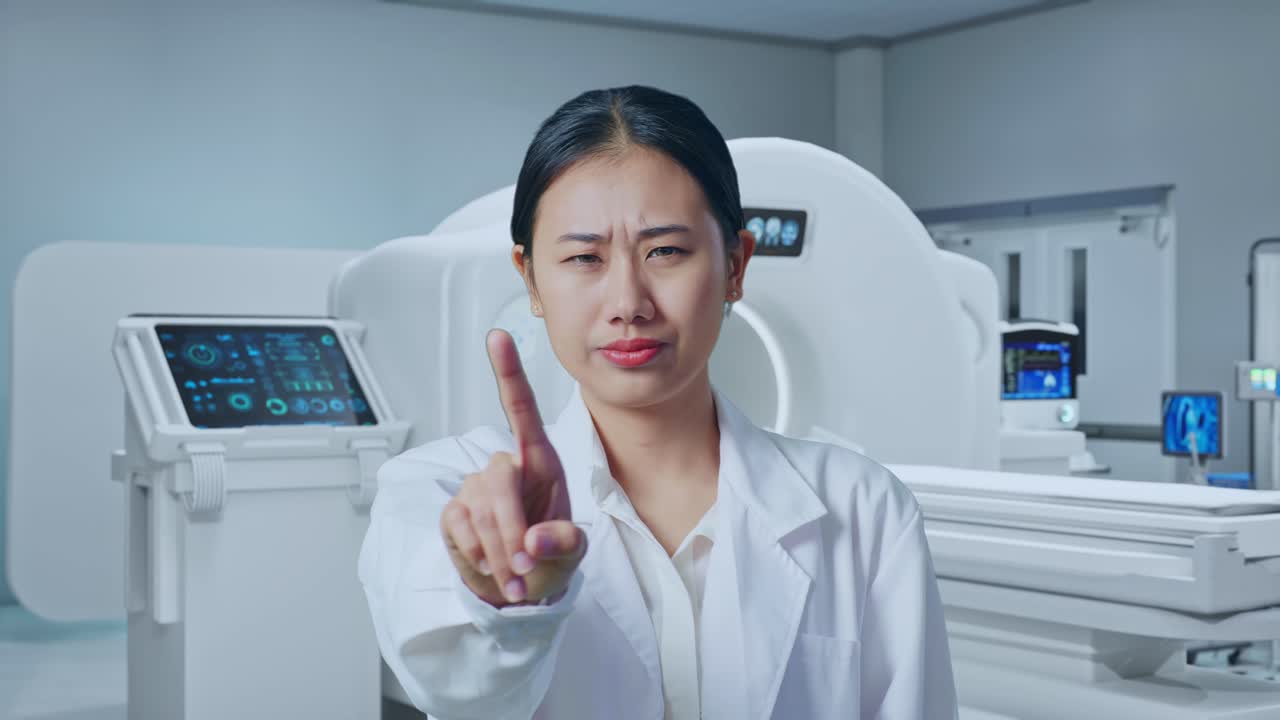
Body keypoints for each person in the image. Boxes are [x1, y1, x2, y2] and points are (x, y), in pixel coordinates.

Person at [358, 85, 957, 720]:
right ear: (530, 278)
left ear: (735, 264)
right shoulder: (443, 489)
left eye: (665, 251)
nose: (628, 302)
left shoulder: (862, 510)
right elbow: (453, 688)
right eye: (585, 257)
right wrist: (508, 606)